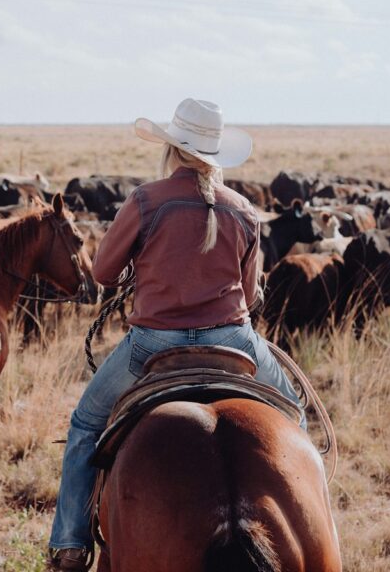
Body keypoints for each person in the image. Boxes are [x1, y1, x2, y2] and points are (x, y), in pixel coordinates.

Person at [46, 98, 305, 571]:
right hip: (234, 340)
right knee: (297, 415)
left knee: (85, 425)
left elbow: (103, 272)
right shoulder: (244, 210)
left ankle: (70, 544)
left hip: (152, 346)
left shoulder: (146, 201)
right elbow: (249, 294)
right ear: (215, 155)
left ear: (173, 149)